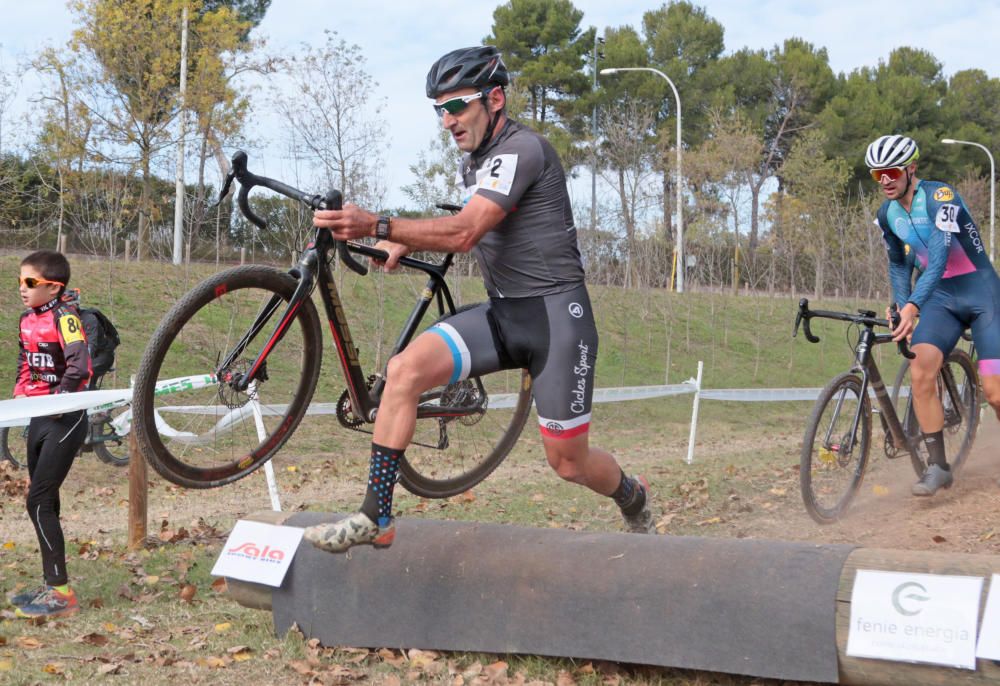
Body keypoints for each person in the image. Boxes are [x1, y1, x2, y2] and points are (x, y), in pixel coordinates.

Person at [305, 46, 656, 553]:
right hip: (505, 314)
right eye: (438, 110)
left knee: (568, 463)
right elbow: (474, 218)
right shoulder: (478, 162)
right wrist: (406, 238)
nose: (446, 121)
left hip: (558, 321)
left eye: (456, 106)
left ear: (495, 99)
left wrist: (378, 224)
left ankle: (631, 494)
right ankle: (376, 515)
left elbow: (467, 231)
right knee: (403, 371)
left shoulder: (524, 150)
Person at [867, 134, 1000, 496]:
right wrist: (901, 304)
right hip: (941, 299)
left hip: (982, 294)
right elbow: (898, 263)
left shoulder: (941, 197)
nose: (885, 180)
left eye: (892, 171)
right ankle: (939, 466)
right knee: (921, 371)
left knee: (995, 391)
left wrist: (914, 305)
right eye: (877, 174)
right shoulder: (887, 213)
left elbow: (939, 258)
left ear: (911, 169)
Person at [8, 250, 92, 618]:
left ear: (53, 287)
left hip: (65, 415)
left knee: (37, 500)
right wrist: (19, 401)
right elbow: (25, 363)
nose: (22, 289)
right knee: (47, 501)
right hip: (37, 415)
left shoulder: (66, 317)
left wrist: (61, 399)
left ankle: (62, 594)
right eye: (20, 281)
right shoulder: (26, 321)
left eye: (30, 283)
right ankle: (51, 584)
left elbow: (80, 363)